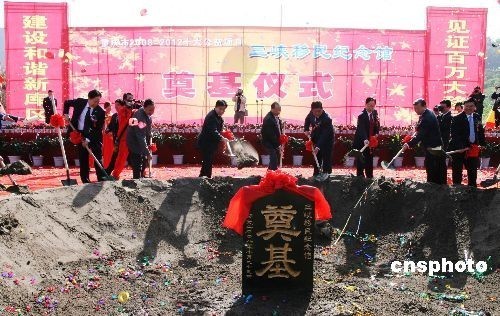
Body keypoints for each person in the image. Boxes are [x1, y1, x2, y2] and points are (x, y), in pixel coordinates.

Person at [63, 89, 105, 183]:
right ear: (89, 98)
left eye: (98, 101)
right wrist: (66, 114)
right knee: (83, 158)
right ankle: (85, 180)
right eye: (95, 101)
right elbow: (66, 103)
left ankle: (101, 178)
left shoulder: (100, 112)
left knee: (97, 156)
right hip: (80, 133)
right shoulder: (80, 102)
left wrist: (88, 139)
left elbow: (98, 129)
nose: (96, 103)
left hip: (93, 136)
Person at [403, 98, 447, 185]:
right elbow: (419, 131)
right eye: (415, 108)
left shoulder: (427, 117)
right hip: (432, 147)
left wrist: (409, 144)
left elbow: (421, 135)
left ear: (424, 106)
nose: (416, 110)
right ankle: (437, 186)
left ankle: (434, 187)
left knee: (434, 168)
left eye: (418, 108)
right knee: (435, 167)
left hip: (434, 147)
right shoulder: (426, 114)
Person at [448, 98, 486, 187]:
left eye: (471, 106)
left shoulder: (477, 117)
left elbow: (480, 131)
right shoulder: (457, 118)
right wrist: (461, 146)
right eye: (467, 106)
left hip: (473, 149)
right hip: (459, 149)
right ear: (464, 107)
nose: (469, 108)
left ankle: (472, 191)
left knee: (472, 171)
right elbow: (454, 135)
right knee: (457, 171)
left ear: (475, 107)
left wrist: (482, 143)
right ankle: (457, 190)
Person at [197, 100, 229, 177]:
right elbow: (213, 131)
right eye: (220, 109)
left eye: (224, 110)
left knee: (208, 162)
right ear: (216, 107)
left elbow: (219, 128)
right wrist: (222, 138)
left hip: (211, 143)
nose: (222, 111)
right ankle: (205, 177)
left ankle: (204, 177)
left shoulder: (218, 117)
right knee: (207, 162)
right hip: (206, 143)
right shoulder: (211, 116)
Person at [126, 99, 155, 179]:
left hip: (141, 141)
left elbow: (147, 130)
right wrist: (147, 152)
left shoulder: (147, 115)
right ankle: (136, 180)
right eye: (150, 110)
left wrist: (149, 136)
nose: (151, 112)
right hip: (134, 142)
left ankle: (141, 177)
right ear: (144, 107)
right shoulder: (139, 117)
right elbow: (140, 136)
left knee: (144, 162)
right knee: (137, 164)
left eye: (153, 110)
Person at [353, 97, 379, 178]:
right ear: (365, 105)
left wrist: (376, 134)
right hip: (361, 142)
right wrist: (365, 139)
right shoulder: (361, 116)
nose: (371, 108)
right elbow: (361, 129)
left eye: (373, 106)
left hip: (370, 142)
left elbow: (377, 126)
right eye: (369, 105)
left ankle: (369, 177)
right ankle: (360, 178)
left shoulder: (375, 114)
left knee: (369, 161)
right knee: (360, 162)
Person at [107, 99, 133, 179]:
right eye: (115, 106)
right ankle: (108, 172)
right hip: (117, 141)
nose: (116, 107)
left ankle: (139, 172)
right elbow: (110, 127)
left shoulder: (127, 115)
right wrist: (108, 131)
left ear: (123, 106)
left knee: (130, 157)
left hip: (126, 140)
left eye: (118, 105)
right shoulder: (115, 116)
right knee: (115, 157)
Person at [310, 101, 335, 175]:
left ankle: (327, 176)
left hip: (327, 141)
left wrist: (318, 146)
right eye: (315, 111)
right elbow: (308, 120)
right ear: (312, 110)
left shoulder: (327, 119)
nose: (317, 113)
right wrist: (306, 130)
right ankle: (316, 175)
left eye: (319, 111)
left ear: (322, 109)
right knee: (317, 159)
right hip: (317, 140)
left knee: (326, 160)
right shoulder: (311, 115)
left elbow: (324, 135)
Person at [261, 102, 283, 171]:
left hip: (273, 141)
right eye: (277, 110)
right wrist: (278, 145)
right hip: (268, 141)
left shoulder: (276, 118)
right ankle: (273, 172)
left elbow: (278, 130)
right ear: (272, 109)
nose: (279, 111)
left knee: (275, 157)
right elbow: (270, 134)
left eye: (280, 109)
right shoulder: (269, 119)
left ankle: (270, 171)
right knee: (274, 157)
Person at [102, 102, 114, 169]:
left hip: (111, 135)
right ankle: (105, 165)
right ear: (105, 107)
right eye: (108, 106)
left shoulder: (112, 115)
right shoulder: (103, 115)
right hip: (104, 135)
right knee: (105, 151)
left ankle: (110, 165)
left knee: (111, 150)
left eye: (110, 106)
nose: (109, 108)